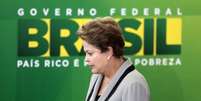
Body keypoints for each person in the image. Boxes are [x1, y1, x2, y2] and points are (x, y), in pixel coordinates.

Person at [77, 17, 150, 101]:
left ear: (109, 51)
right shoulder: (95, 77)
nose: (86, 59)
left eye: (90, 53)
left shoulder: (134, 83)